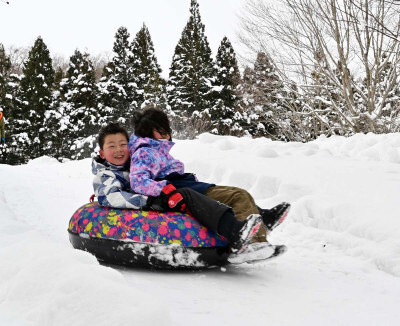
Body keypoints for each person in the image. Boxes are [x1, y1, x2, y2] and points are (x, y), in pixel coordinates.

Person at [92, 122, 263, 253]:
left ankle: (257, 226)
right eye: (112, 146)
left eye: (123, 144)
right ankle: (235, 232)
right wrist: (149, 199)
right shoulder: (107, 175)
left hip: (160, 198)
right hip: (151, 204)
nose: (119, 150)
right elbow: (111, 196)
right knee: (187, 195)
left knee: (204, 193)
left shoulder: (135, 163)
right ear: (102, 153)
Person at [129, 108, 291, 245]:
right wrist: (164, 189)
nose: (165, 135)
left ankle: (262, 226)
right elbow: (138, 181)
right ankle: (251, 243)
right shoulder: (145, 152)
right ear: (147, 130)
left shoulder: (157, 150)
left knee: (242, 195)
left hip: (186, 185)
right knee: (239, 196)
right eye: (160, 130)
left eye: (166, 130)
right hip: (178, 191)